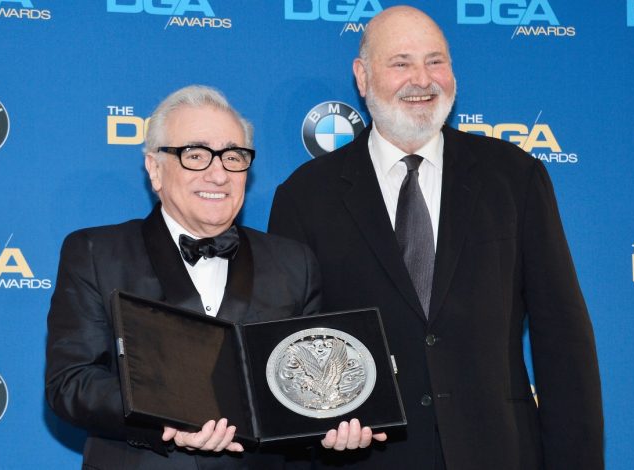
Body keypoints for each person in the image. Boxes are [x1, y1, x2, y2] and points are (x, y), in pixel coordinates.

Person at [269, 6, 604, 470]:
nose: (422, 79)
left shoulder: (515, 177)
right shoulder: (306, 196)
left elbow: (563, 342)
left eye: (436, 61)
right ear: (362, 77)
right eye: (401, 63)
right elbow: (290, 355)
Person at [46, 85, 381, 469]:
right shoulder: (96, 253)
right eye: (196, 155)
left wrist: (336, 424)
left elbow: (305, 392)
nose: (218, 173)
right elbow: (71, 383)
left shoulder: (294, 263)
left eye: (233, 157)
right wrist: (165, 416)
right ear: (155, 168)